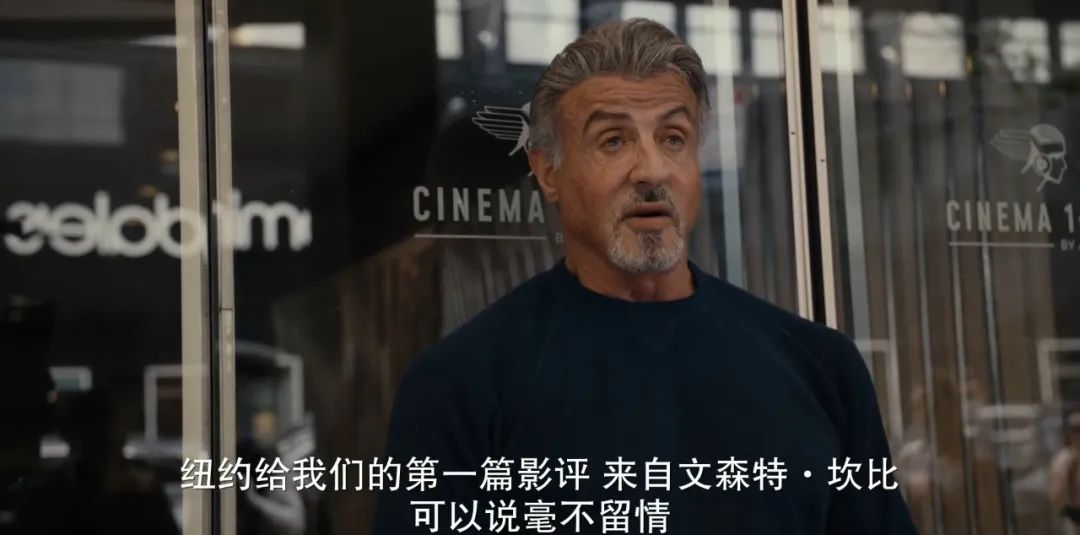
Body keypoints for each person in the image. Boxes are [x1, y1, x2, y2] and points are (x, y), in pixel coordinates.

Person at [372, 18, 916, 534]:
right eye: (614, 140)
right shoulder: (460, 387)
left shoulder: (823, 369)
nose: (653, 170)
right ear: (547, 171)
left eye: (673, 138)